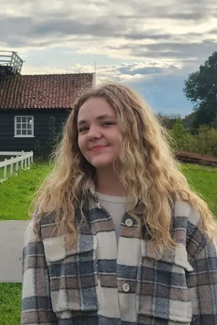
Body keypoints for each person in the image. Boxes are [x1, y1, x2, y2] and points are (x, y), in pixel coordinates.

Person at [21, 83, 217, 324]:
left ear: (136, 128)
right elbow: (35, 314)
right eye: (83, 128)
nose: (92, 133)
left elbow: (210, 308)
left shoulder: (184, 215)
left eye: (106, 123)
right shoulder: (53, 214)